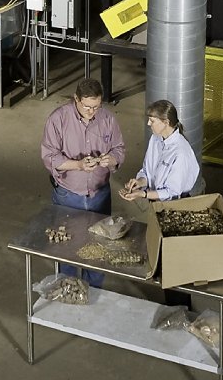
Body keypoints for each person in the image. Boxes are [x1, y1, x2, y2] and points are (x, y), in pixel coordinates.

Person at [40, 78, 125, 287]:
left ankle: (93, 290)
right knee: (67, 247)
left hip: (99, 194)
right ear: (75, 99)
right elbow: (49, 156)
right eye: (86, 106)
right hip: (69, 195)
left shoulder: (107, 118)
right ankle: (68, 289)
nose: (91, 111)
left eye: (96, 106)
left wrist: (111, 159)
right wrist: (78, 165)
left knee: (98, 248)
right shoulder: (58, 119)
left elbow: (119, 148)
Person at [118, 100, 200, 204]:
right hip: (155, 200)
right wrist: (139, 182)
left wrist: (143, 194)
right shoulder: (155, 139)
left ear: (166, 122)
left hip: (174, 204)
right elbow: (146, 171)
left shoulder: (181, 153)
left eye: (152, 121)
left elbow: (172, 192)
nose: (148, 123)